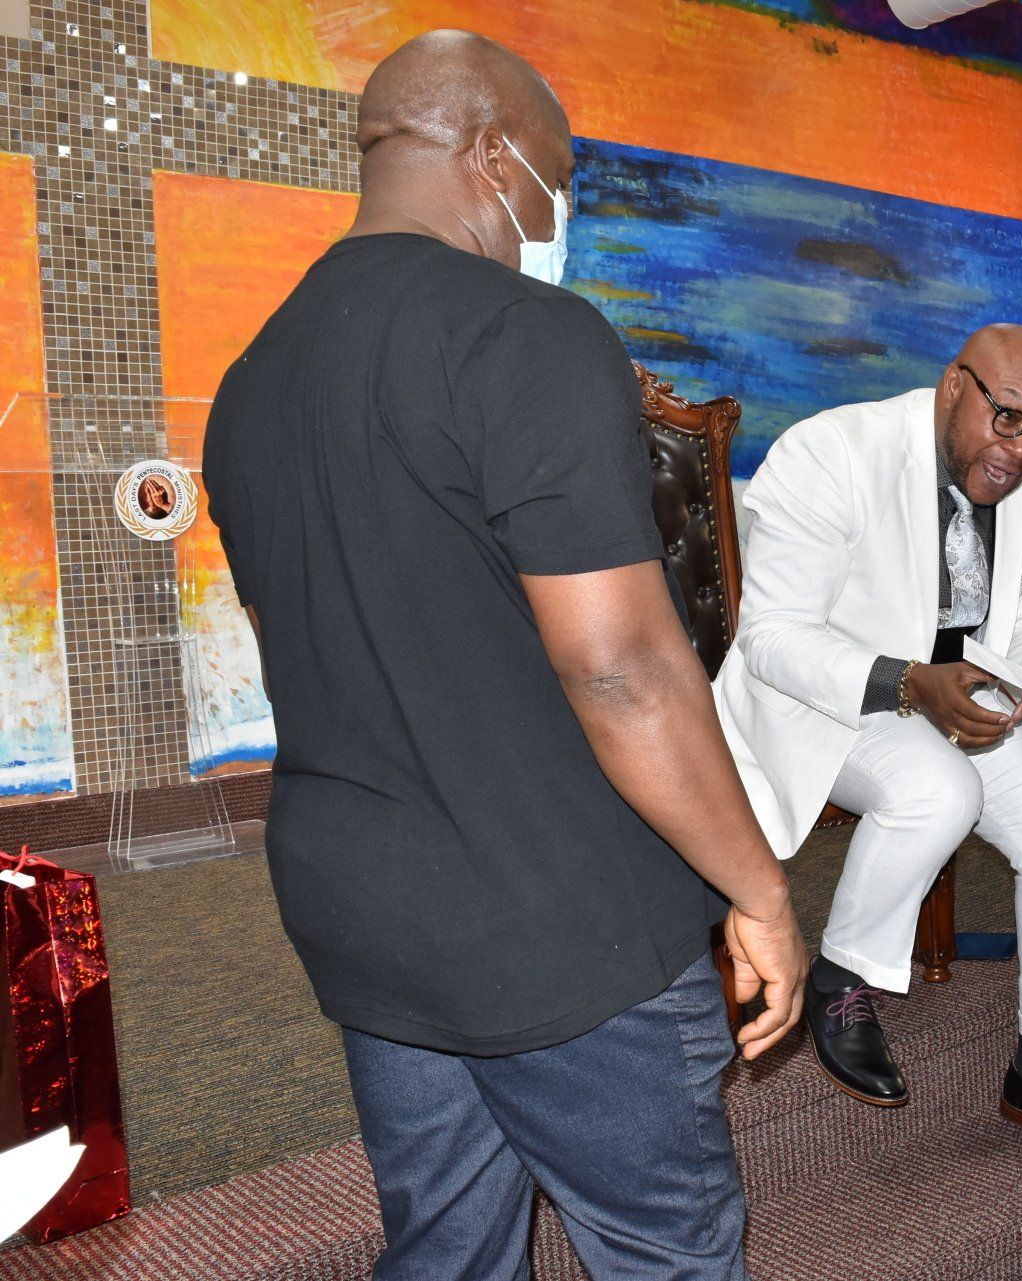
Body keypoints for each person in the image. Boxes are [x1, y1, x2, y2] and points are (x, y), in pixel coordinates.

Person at [202, 31, 806, 1279]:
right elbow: (621, 669)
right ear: (492, 157)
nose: (555, 212)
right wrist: (758, 889)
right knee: (666, 1250)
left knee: (445, 1250)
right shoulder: (530, 334)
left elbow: (299, 647)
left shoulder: (250, 379)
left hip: (363, 905)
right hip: (560, 920)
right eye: (557, 178)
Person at [712, 324, 1022, 1168]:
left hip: (952, 696)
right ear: (954, 385)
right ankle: (841, 978)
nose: (1020, 450)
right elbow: (771, 638)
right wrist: (909, 681)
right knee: (941, 788)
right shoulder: (834, 452)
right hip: (825, 698)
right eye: (1006, 418)